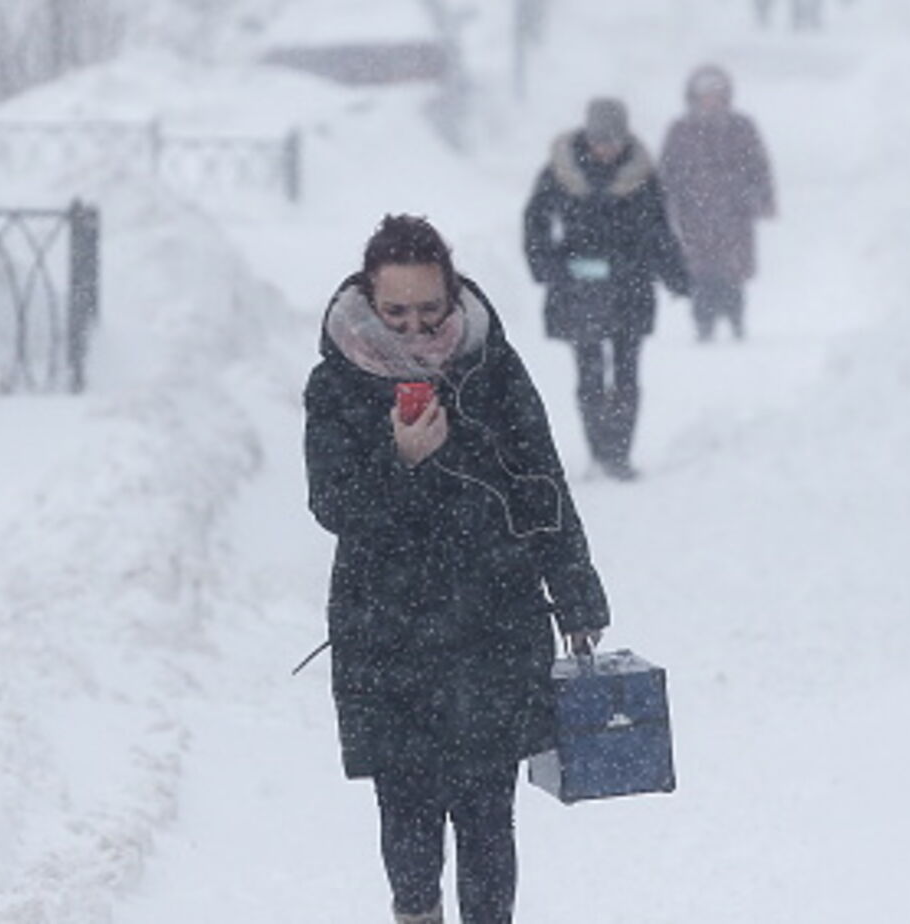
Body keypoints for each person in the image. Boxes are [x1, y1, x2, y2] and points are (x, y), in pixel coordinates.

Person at [304, 214, 610, 924]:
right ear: (369, 302)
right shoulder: (337, 385)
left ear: (453, 295)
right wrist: (402, 461)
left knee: (486, 819)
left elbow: (543, 485)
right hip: (387, 629)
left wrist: (576, 595)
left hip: (493, 618)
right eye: (397, 312)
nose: (414, 330)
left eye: (429, 310)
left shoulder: (492, 367)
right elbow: (333, 504)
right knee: (408, 827)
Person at [522, 97, 690, 481]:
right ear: (587, 136)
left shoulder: (643, 176)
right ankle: (599, 448)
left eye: (613, 140)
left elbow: (659, 231)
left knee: (627, 372)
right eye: (600, 140)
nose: (606, 148)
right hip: (577, 286)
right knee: (589, 370)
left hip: (631, 285)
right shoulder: (559, 171)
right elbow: (536, 222)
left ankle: (620, 452)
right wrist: (546, 265)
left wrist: (675, 275)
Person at [660, 65, 776, 343]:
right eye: (705, 95)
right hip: (694, 213)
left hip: (735, 212)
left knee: (731, 270)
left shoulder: (741, 127)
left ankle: (735, 318)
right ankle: (703, 321)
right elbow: (667, 170)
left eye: (716, 94)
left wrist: (762, 198)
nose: (711, 100)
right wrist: (665, 204)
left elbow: (759, 166)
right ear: (693, 97)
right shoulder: (681, 130)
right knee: (700, 271)